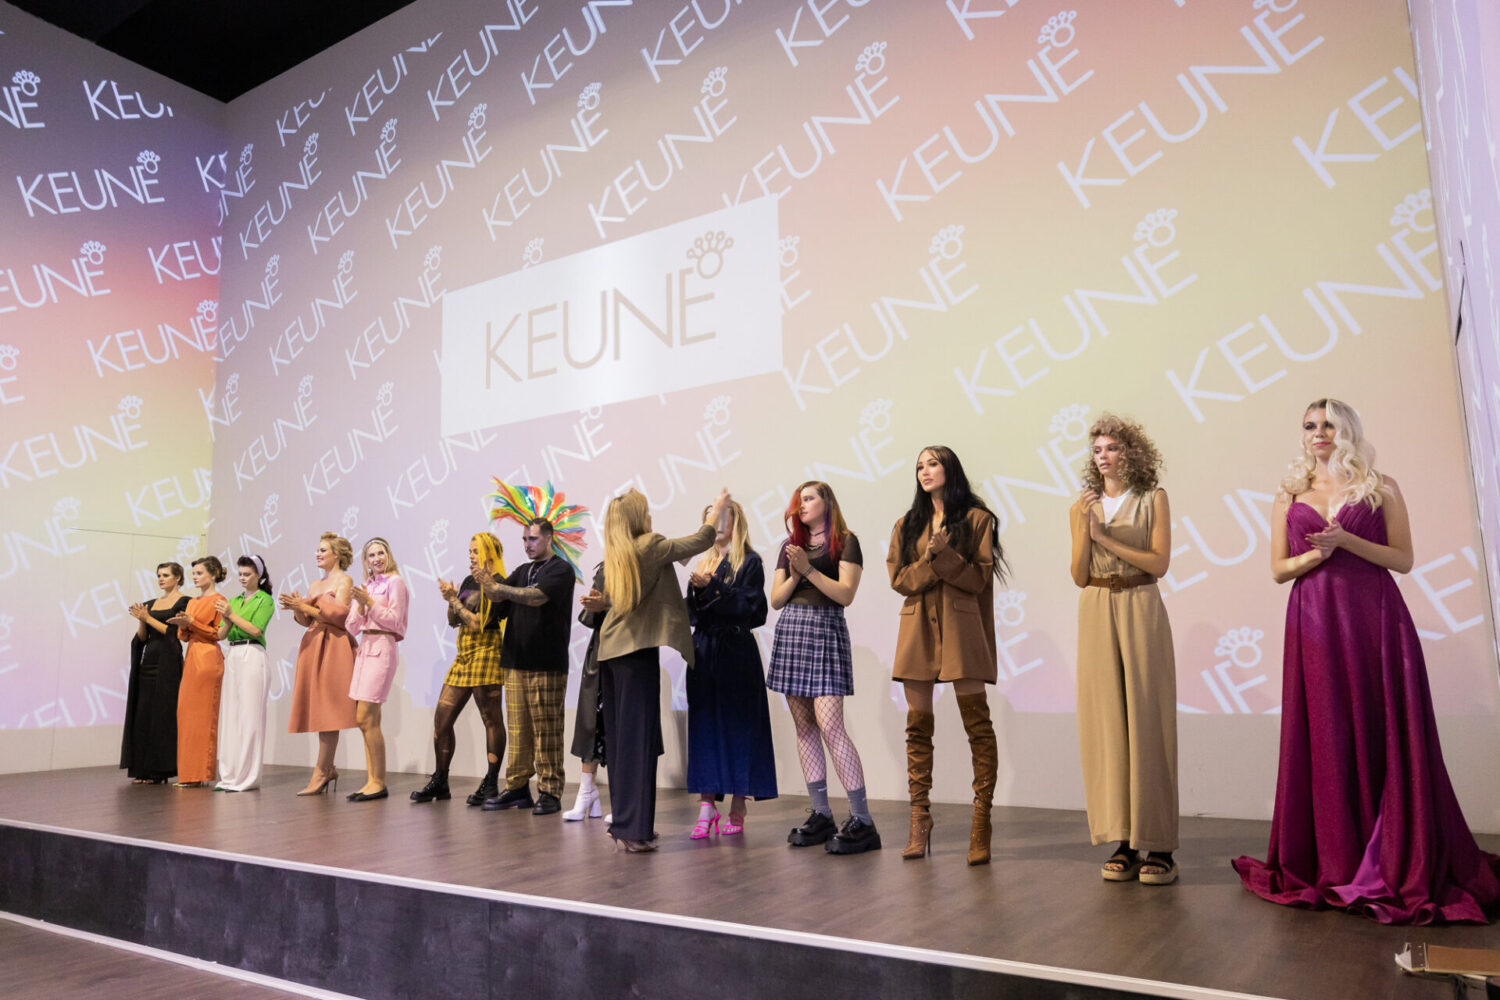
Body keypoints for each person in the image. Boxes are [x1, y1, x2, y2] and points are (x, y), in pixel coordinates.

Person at [1232, 398, 1500, 923]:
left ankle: (1391, 856)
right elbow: (1278, 570)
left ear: (1348, 430)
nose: (1319, 433)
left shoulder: (1381, 487)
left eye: (1329, 425)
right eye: (1310, 425)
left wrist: (1346, 540)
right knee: (1327, 734)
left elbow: (1403, 559)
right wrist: (1318, 554)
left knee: (1385, 731)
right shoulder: (1289, 492)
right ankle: (1337, 859)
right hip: (1314, 623)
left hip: (1375, 621)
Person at [1067, 416, 1179, 884]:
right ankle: (1123, 840)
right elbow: (1078, 574)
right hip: (1096, 605)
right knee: (1107, 724)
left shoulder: (1153, 498)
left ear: (1131, 452)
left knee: (1148, 720)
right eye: (1097, 450)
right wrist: (1086, 528)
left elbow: (1160, 562)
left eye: (1112, 448)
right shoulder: (1081, 506)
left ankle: (1160, 845)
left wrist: (1105, 537)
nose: (1103, 456)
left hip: (1140, 600)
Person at [593, 487, 729, 852]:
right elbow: (700, 540)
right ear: (637, 518)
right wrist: (716, 511)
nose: (651, 516)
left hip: (610, 652)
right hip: (635, 655)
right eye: (646, 511)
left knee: (621, 743)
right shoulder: (649, 545)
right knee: (639, 743)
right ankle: (635, 832)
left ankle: (625, 825)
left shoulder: (619, 552)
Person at [888, 447, 1005, 865]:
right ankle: (919, 819)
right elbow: (900, 579)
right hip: (917, 628)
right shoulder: (906, 524)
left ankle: (981, 820)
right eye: (919, 465)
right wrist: (930, 557)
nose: (925, 471)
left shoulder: (977, 519)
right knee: (917, 729)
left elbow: (978, 579)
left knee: (978, 726)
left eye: (933, 463)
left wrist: (947, 556)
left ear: (950, 469)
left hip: (961, 629)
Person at [767, 481, 880, 856]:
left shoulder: (846, 541)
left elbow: (846, 594)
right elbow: (776, 600)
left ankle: (862, 819)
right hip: (793, 631)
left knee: (831, 726)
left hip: (825, 631)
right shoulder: (790, 546)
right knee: (804, 728)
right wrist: (796, 571)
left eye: (809, 498)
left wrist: (808, 570)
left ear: (827, 502)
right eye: (798, 499)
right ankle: (821, 814)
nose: (801, 504)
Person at [684, 498, 778, 838]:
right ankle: (706, 806)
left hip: (736, 651)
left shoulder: (750, 562)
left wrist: (713, 587)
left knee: (740, 728)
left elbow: (750, 610)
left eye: (723, 516)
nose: (718, 523)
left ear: (736, 522)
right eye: (711, 517)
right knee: (704, 727)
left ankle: (738, 806)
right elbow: (692, 615)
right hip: (704, 651)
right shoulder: (702, 562)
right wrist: (699, 591)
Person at [477, 518, 579, 816]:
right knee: (518, 729)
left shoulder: (561, 569)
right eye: (524, 539)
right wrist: (487, 585)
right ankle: (518, 787)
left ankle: (550, 791)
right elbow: (499, 597)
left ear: (549, 538)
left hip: (546, 662)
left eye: (533, 539)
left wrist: (498, 587)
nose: (527, 544)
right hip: (515, 660)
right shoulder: (522, 571)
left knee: (546, 730)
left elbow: (536, 597)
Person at [412, 533, 508, 805]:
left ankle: (491, 782)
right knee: (442, 720)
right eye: (469, 551)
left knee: (490, 718)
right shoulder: (468, 581)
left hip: (486, 650)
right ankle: (440, 780)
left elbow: (478, 623)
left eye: (476, 551)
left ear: (489, 553)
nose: (471, 556)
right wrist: (451, 600)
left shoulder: (499, 583)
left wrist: (454, 601)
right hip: (464, 652)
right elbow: (455, 621)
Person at [280, 532, 359, 796]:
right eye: (318, 550)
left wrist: (305, 606)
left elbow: (339, 617)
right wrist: (296, 607)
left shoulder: (344, 580)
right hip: (313, 643)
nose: (318, 554)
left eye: (323, 550)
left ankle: (322, 771)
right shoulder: (315, 584)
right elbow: (307, 620)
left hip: (334, 645)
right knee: (318, 711)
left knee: (329, 711)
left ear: (337, 554)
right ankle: (327, 767)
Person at [344, 538, 409, 802]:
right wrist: (361, 604)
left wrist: (370, 603)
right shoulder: (366, 586)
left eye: (381, 553)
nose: (377, 558)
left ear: (388, 555)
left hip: (383, 646)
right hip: (364, 647)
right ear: (366, 561)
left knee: (364, 717)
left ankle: (379, 782)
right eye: (371, 555)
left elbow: (395, 620)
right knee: (369, 720)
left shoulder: (396, 582)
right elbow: (351, 626)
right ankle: (372, 780)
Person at [122, 562, 189, 784]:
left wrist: (148, 618)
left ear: (177, 578)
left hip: (169, 663)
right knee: (143, 715)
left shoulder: (185, 602)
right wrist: (142, 621)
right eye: (159, 575)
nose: (161, 579)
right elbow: (142, 638)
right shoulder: (150, 604)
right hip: (148, 662)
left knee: (163, 715)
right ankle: (142, 769)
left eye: (166, 575)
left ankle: (159, 771)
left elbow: (175, 633)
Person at [214, 555, 274, 792]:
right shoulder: (234, 600)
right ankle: (229, 775)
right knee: (231, 715)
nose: (242, 578)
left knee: (250, 717)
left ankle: (247, 778)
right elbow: (221, 634)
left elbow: (256, 629)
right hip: (233, 654)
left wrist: (231, 615)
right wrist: (227, 618)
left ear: (259, 575)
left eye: (247, 574)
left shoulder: (264, 599)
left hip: (252, 653)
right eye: (240, 574)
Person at [167, 556, 226, 788]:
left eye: (199, 573)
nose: (195, 577)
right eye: (193, 574)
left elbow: (217, 634)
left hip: (208, 659)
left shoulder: (219, 600)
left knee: (203, 717)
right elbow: (184, 637)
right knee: (186, 715)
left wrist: (192, 623)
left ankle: (200, 772)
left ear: (213, 574)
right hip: (192, 657)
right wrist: (184, 625)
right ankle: (188, 773)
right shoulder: (192, 602)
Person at [564, 563, 607, 822]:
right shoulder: (605, 569)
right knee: (591, 722)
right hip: (601, 651)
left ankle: (624, 801)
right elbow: (590, 618)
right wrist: (594, 603)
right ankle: (586, 791)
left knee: (618, 727)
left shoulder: (641, 562)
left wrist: (608, 605)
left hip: (627, 649)